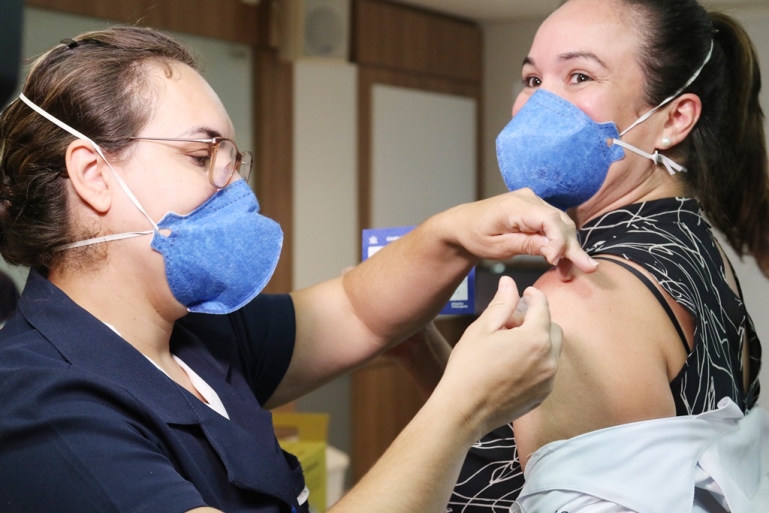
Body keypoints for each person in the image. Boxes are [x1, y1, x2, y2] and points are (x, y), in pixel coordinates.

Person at [0, 27, 600, 513]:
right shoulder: (41, 407)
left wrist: (453, 233)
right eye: (202, 155)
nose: (234, 186)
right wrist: (462, 409)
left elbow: (357, 307)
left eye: (235, 159)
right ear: (94, 175)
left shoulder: (194, 337)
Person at [382, 0, 767, 510]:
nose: (537, 106)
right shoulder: (693, 245)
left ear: (674, 119)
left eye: (580, 76)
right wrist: (422, 350)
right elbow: (517, 442)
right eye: (534, 79)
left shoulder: (580, 295)